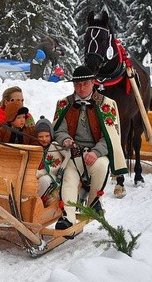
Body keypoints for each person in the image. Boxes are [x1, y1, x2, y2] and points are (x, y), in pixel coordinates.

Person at [53, 65, 127, 230]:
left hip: (97, 154)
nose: (81, 88)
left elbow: (111, 136)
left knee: (102, 166)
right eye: (77, 84)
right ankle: (68, 218)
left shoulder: (107, 104)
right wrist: (65, 139)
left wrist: (96, 152)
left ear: (93, 83)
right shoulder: (64, 103)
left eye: (85, 83)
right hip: (73, 153)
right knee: (68, 178)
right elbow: (58, 129)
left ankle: (94, 203)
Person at [34, 116, 70, 207]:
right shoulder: (35, 148)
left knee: (44, 180)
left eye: (47, 136)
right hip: (35, 173)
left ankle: (35, 201)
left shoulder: (55, 146)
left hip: (52, 175)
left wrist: (62, 169)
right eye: (40, 137)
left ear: (51, 135)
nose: (44, 139)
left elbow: (67, 155)